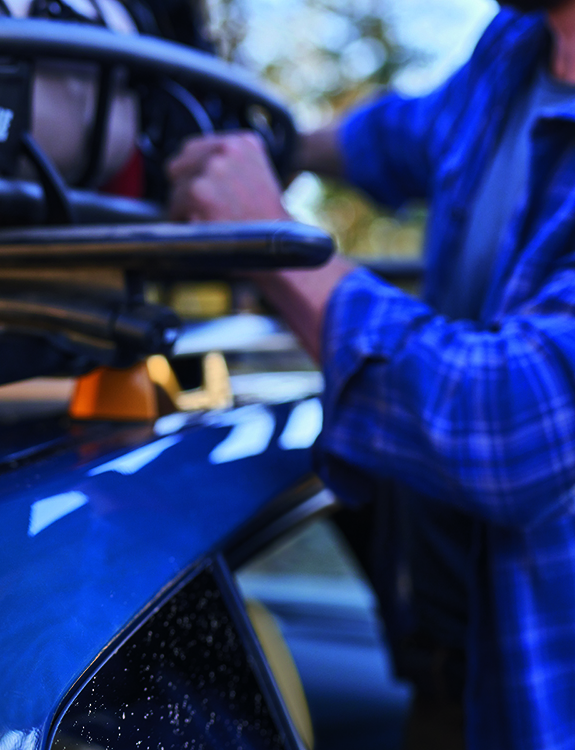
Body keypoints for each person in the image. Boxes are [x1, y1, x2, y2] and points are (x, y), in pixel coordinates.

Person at [166, 2, 575, 748]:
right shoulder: (520, 46)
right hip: (453, 676)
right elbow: (405, 134)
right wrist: (273, 145)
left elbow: (512, 422)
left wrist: (270, 236)